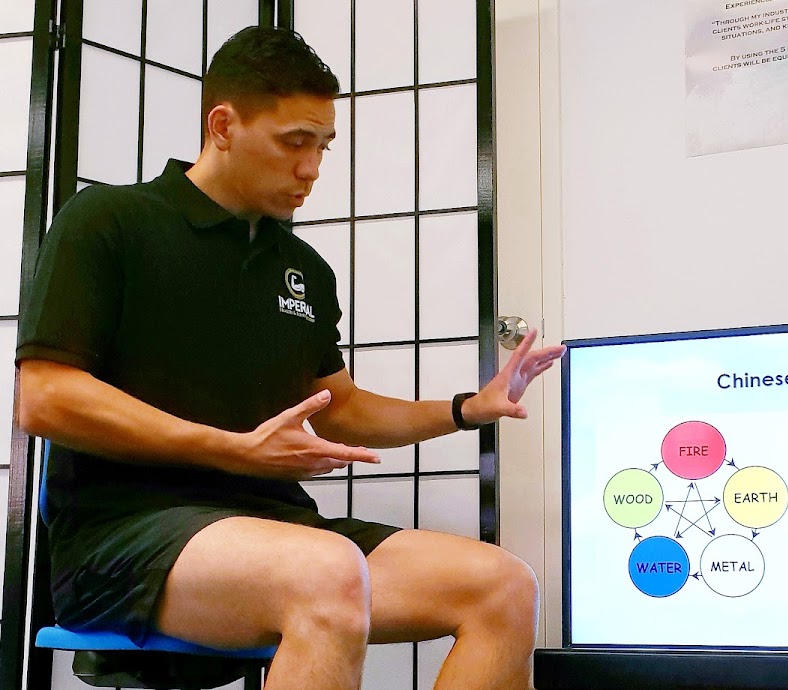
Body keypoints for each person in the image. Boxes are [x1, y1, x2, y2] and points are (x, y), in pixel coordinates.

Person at [15, 25, 563, 690]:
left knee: (503, 586)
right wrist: (229, 448)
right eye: (294, 142)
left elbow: (341, 409)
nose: (311, 168)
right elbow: (45, 397)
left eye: (323, 146)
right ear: (223, 125)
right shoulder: (109, 221)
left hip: (277, 527)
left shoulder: (302, 268)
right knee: (323, 571)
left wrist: (466, 409)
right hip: (121, 534)